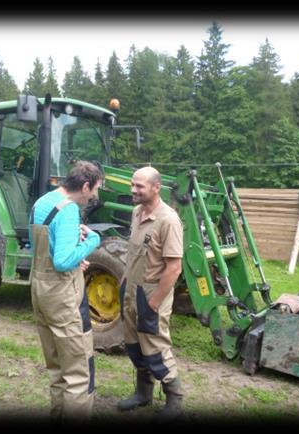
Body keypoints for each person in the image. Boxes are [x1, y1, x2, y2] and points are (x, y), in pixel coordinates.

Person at [28, 160, 103, 423]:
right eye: (95, 190)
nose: (94, 197)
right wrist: (93, 240)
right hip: (61, 296)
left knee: (57, 367)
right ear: (85, 186)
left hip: (39, 289)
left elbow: (41, 245)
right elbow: (61, 261)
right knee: (78, 373)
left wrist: (74, 256)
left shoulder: (43, 201)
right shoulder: (70, 210)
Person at [117, 166, 184, 419]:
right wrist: (124, 282)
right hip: (130, 291)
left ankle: (175, 400)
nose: (133, 190)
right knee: (134, 345)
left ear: (156, 188)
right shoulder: (136, 212)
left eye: (139, 186)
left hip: (151, 295)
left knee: (155, 347)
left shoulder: (168, 219)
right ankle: (143, 393)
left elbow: (174, 267)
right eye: (132, 185)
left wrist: (154, 303)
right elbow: (134, 252)